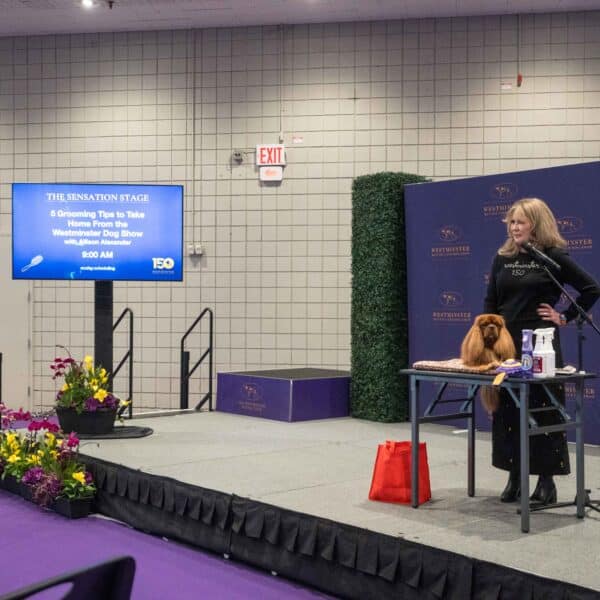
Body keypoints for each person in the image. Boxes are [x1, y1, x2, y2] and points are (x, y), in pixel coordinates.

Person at [484, 197, 600, 504]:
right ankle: (515, 477)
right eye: (511, 222)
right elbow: (490, 302)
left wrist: (564, 317)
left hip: (541, 345)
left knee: (544, 411)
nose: (514, 227)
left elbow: (591, 288)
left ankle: (546, 482)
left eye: (520, 221)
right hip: (507, 345)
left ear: (536, 223)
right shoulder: (502, 257)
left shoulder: (552, 256)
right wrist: (489, 341)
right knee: (509, 410)